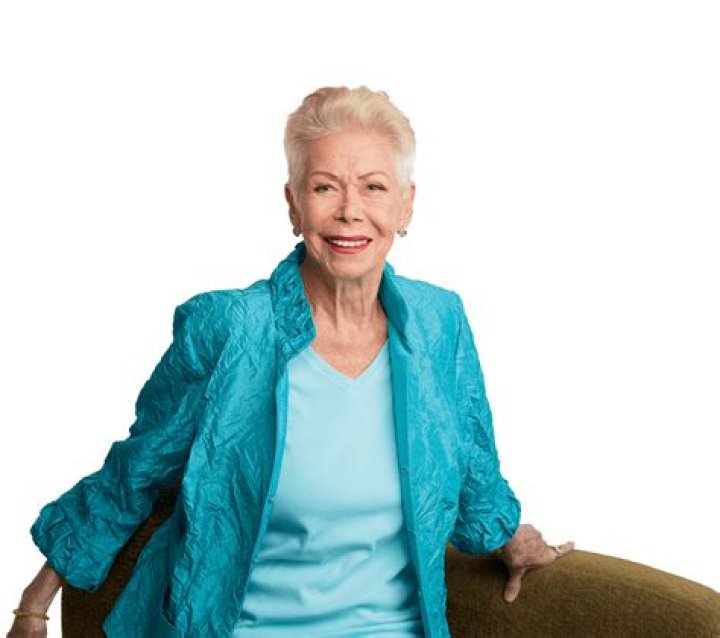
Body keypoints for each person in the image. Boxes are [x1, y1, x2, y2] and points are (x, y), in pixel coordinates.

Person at [8, 86, 574, 638]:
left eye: (374, 187)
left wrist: (511, 536)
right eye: (325, 187)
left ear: (406, 205)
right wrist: (34, 605)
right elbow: (139, 465)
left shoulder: (437, 323)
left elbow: (470, 457)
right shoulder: (231, 328)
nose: (350, 211)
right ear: (293, 205)